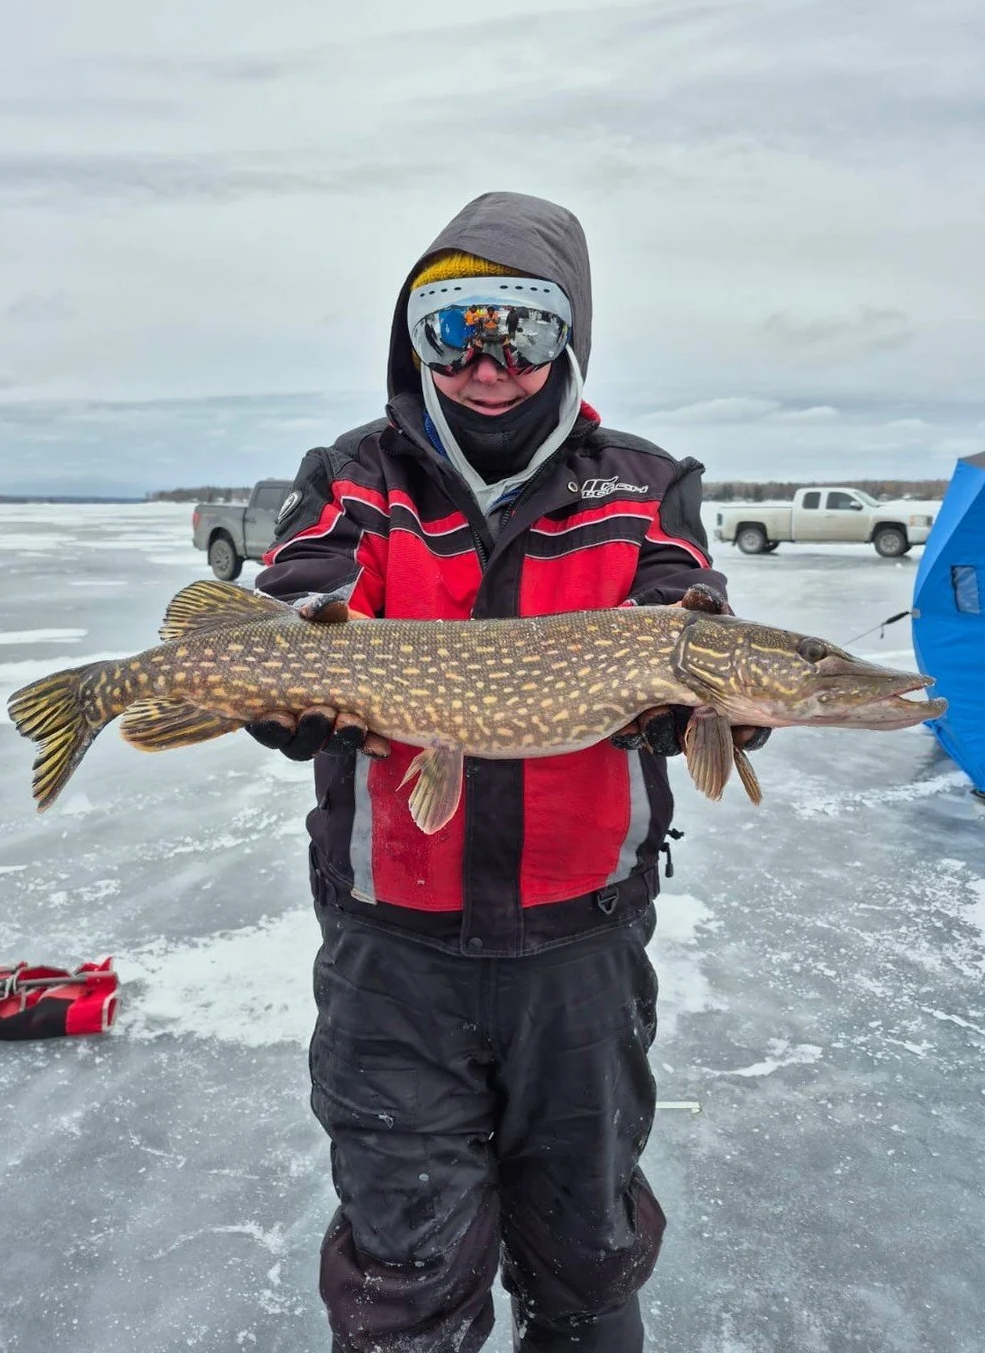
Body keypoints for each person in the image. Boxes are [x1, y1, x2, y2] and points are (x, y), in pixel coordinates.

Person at [248, 191, 768, 1353]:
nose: (486, 364)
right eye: (453, 330)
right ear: (414, 337)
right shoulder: (356, 476)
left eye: (521, 330)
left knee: (587, 1254)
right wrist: (292, 675)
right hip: (394, 955)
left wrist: (699, 703)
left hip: (581, 949)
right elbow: (300, 583)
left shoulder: (640, 483)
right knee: (406, 1271)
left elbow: (682, 602)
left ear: (568, 332)